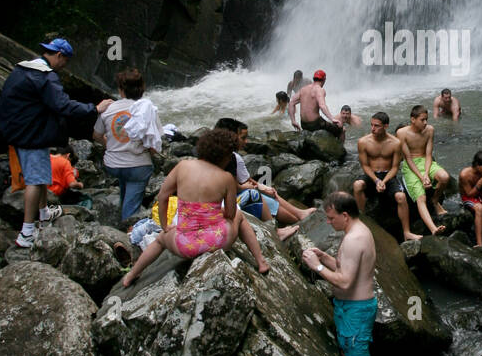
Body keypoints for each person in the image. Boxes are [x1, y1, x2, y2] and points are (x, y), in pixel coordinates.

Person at [301, 192, 418, 356]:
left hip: (356, 311)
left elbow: (344, 281)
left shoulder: (355, 238)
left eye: (331, 218)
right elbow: (345, 268)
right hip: (347, 308)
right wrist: (325, 258)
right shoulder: (355, 230)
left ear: (345, 215)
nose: (328, 222)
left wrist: (316, 267)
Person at [0, 37, 113, 249]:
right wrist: (95, 109)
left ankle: (43, 213)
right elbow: (63, 106)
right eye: (65, 61)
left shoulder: (23, 69)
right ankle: (27, 232)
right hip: (31, 135)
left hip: (19, 131)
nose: (64, 66)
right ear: (59, 56)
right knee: (34, 180)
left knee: (39, 175)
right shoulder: (45, 77)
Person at [122, 128, 270, 286]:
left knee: (159, 241)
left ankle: (131, 275)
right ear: (226, 156)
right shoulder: (226, 178)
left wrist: (165, 226)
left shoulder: (183, 166)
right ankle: (261, 262)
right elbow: (231, 214)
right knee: (240, 217)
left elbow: (163, 196)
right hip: (217, 241)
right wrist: (216, 212)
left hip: (185, 245)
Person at [214, 118, 316, 236]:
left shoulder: (226, 156)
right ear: (231, 136)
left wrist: (259, 187)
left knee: (264, 192)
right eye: (242, 138)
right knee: (257, 195)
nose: (246, 141)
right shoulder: (228, 157)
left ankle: (298, 216)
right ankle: (281, 229)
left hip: (225, 199)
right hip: (221, 204)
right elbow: (229, 184)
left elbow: (241, 180)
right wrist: (253, 187)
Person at [93, 68, 159, 224]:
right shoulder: (148, 109)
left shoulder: (108, 108)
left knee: (125, 178)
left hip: (113, 164)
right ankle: (127, 230)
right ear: (142, 89)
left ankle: (119, 220)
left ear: (121, 90)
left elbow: (96, 135)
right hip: (138, 167)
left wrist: (110, 145)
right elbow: (154, 146)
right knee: (133, 200)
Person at [353, 112, 413, 238]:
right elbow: (365, 166)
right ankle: (361, 220)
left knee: (401, 197)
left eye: (377, 126)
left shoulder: (395, 143)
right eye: (371, 125)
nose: (373, 129)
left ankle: (406, 232)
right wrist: (376, 181)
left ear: (386, 126)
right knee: (357, 185)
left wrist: (384, 181)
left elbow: (395, 167)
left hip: (388, 176)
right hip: (371, 175)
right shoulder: (363, 142)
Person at [396, 105, 450, 237]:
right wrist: (421, 177)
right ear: (413, 119)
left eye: (426, 119)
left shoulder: (430, 130)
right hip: (410, 166)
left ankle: (435, 201)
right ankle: (433, 229)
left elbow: (428, 154)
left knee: (444, 177)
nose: (425, 122)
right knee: (421, 197)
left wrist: (426, 174)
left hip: (426, 162)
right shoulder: (402, 133)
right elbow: (407, 158)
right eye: (422, 120)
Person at [288, 70, 342, 137]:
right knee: (341, 129)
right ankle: (338, 147)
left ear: (314, 78)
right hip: (315, 124)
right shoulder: (319, 90)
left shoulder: (303, 89)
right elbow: (322, 105)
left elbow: (291, 103)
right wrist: (332, 119)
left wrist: (293, 121)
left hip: (303, 124)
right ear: (324, 80)